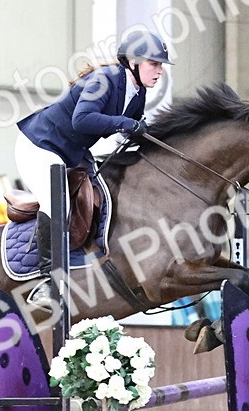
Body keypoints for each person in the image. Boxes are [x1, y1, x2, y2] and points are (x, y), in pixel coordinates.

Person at [13, 28, 172, 310]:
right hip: (39, 146)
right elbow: (82, 120)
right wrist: (126, 125)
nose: (159, 71)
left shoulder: (137, 95)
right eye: (154, 64)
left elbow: (130, 133)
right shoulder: (104, 80)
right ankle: (46, 283)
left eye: (160, 65)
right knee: (57, 200)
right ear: (132, 62)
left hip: (72, 153)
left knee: (104, 193)